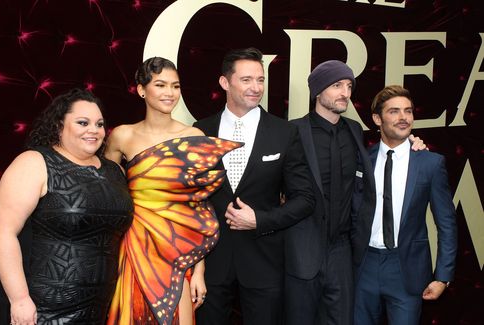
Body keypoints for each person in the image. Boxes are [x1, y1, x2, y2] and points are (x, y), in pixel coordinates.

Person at [286, 61, 426, 325]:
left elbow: (380, 157)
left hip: (342, 253)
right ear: (318, 91)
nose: (345, 93)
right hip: (302, 251)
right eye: (337, 86)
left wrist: (410, 143)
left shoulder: (354, 130)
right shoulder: (293, 130)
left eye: (349, 86)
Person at [104, 57, 240, 325]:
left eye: (175, 86)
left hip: (178, 250)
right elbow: (107, 191)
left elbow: (200, 208)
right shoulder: (121, 136)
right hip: (134, 246)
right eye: (160, 84)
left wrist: (199, 271)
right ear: (141, 90)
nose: (169, 93)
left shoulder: (193, 135)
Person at [0, 88, 134, 325]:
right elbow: (2, 232)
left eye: (99, 124)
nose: (93, 130)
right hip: (42, 308)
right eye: (82, 122)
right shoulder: (34, 163)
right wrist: (19, 299)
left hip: (101, 308)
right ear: (59, 125)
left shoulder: (115, 172)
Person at [193, 47, 315, 325]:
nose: (256, 87)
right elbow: (191, 198)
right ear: (225, 82)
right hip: (211, 261)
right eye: (247, 80)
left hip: (264, 261)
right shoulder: (200, 131)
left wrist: (260, 219)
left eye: (260, 80)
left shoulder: (284, 132)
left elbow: (305, 199)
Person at [352, 85, 457, 325]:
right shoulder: (361, 160)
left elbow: (447, 223)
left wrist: (442, 276)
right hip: (363, 266)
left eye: (408, 111)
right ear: (377, 119)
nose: (403, 118)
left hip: (407, 269)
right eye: (394, 111)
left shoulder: (430, 163)